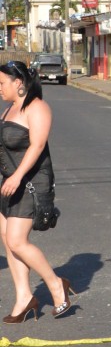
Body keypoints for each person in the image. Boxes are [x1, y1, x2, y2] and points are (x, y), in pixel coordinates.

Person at [0, 60, 75, 322]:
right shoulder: (9, 109)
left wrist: (18, 176)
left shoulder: (37, 107)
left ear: (18, 83)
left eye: (1, 83)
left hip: (30, 182)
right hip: (9, 182)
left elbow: (37, 145)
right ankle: (23, 297)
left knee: (17, 241)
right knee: (9, 242)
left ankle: (57, 286)